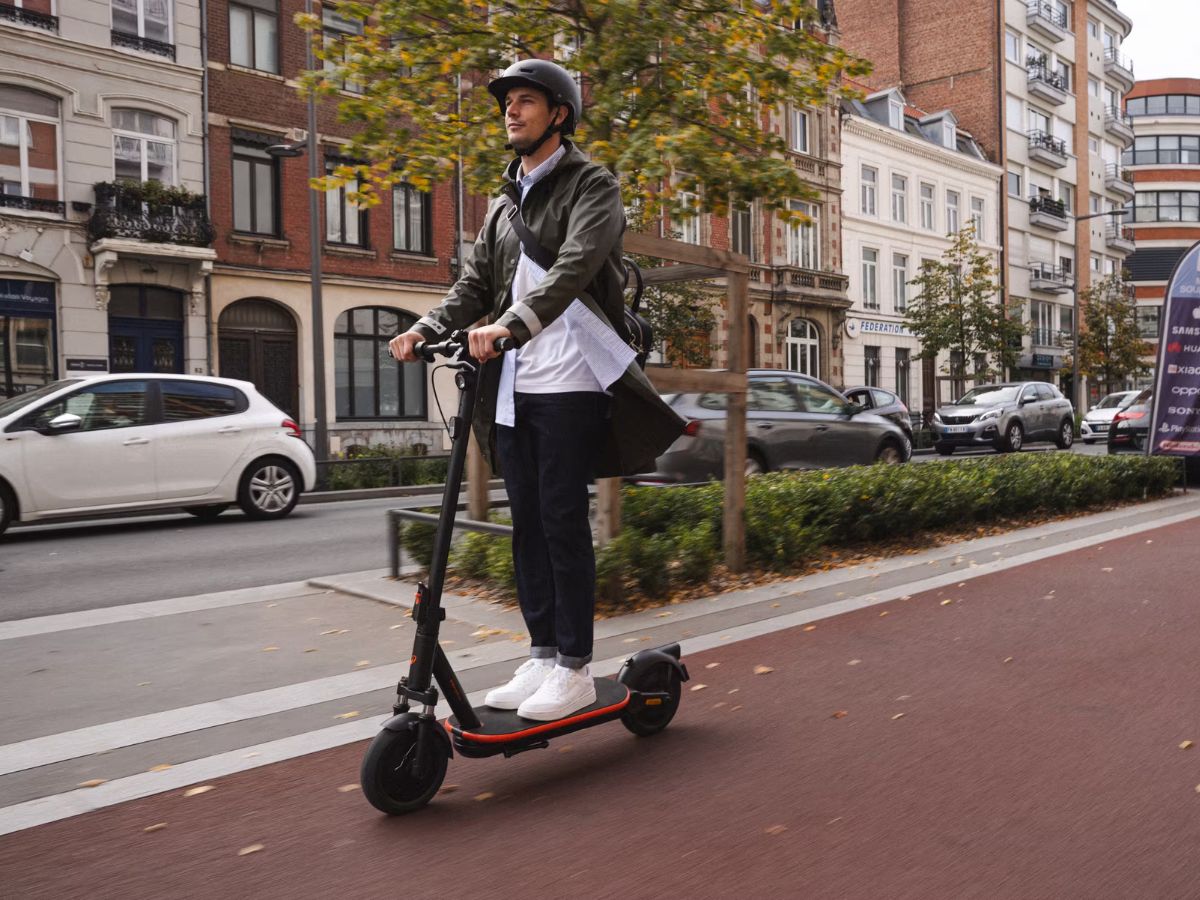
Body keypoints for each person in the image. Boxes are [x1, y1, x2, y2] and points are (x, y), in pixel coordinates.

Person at [390, 59, 683, 722]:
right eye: (507, 104)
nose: (511, 112)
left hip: (571, 374)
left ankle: (575, 667)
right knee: (526, 523)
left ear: (559, 113)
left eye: (526, 101)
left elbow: (575, 268)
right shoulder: (502, 205)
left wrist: (511, 325)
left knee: (559, 519)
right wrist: (426, 326)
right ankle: (544, 652)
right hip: (512, 383)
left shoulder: (592, 186)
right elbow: (471, 287)